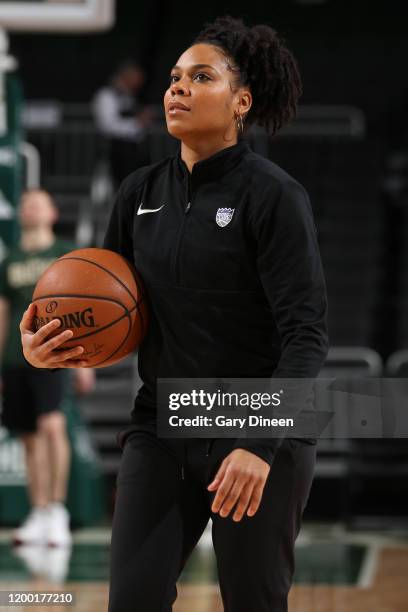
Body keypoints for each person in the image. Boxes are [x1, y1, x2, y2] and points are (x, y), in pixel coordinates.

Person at [20, 16, 329, 612]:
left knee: (255, 602)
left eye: (200, 76)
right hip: (163, 426)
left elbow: (307, 336)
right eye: (173, 78)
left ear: (241, 101)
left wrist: (258, 445)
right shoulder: (138, 192)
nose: (176, 89)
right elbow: (88, 305)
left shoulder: (275, 197)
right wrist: (40, 339)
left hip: (257, 428)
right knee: (131, 601)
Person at [0, 189, 95, 548]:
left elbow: (88, 309)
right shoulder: (11, 258)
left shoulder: (64, 253)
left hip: (57, 354)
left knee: (52, 427)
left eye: (38, 202)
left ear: (53, 212)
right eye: (25, 204)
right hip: (15, 357)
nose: (30, 208)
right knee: (28, 437)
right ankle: (38, 511)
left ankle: (57, 511)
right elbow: (3, 313)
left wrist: (87, 361)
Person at [92, 60, 155, 186]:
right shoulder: (106, 95)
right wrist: (137, 123)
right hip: (114, 152)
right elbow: (107, 125)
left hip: (132, 152)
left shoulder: (129, 96)